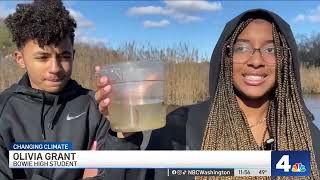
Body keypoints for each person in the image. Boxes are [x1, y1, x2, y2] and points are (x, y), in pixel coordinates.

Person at [96, 9, 320, 180]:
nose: (256, 60)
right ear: (224, 58)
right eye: (241, 48)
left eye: (271, 50)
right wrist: (124, 133)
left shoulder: (307, 134)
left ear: (286, 61)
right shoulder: (181, 126)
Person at [0, 1, 137, 179]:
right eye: (43, 57)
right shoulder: (3, 110)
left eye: (64, 56)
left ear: (73, 55)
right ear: (20, 59)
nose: (55, 68)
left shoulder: (97, 107)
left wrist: (124, 132)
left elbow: (120, 174)